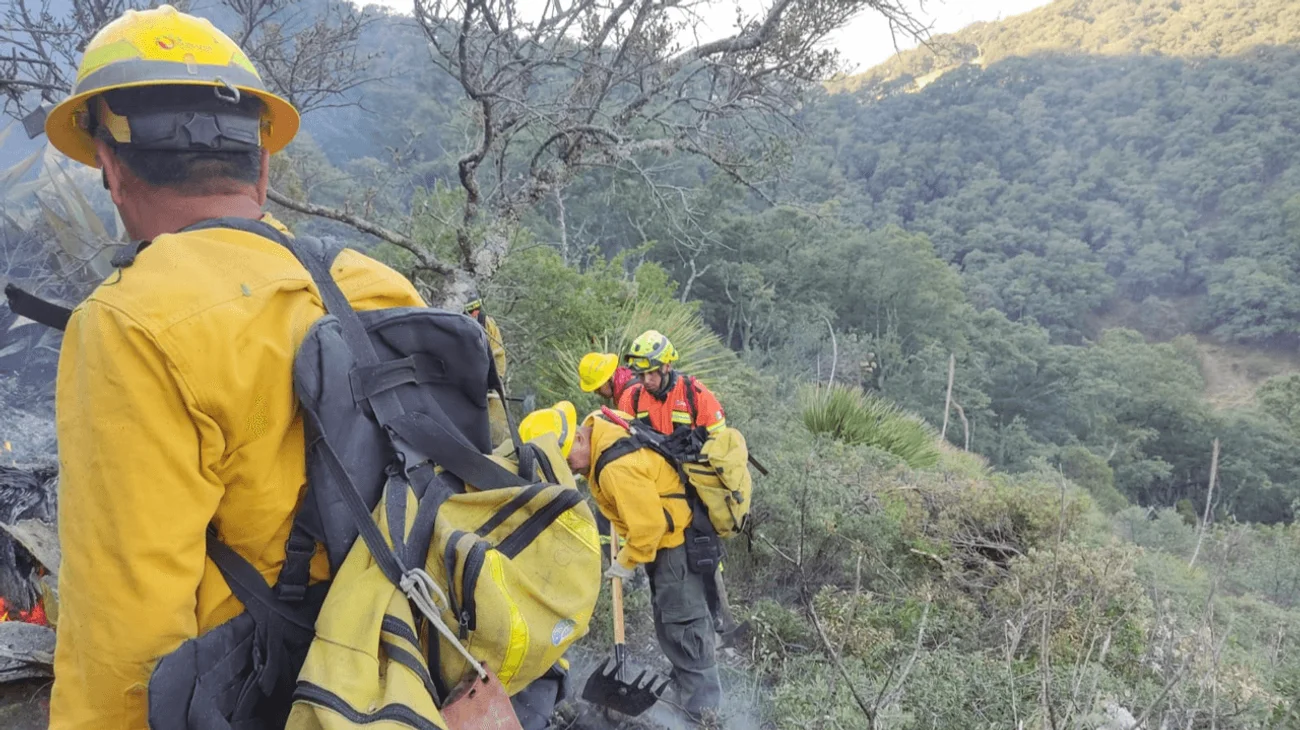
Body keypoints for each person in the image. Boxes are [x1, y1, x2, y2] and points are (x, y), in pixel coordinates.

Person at [38, 7, 558, 728]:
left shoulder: (131, 325)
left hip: (273, 700)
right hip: (407, 678)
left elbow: (124, 644)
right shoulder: (371, 281)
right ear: (263, 163)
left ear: (109, 166)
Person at [521, 404, 722, 725]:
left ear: (578, 438)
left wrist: (625, 562)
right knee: (672, 622)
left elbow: (649, 527)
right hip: (669, 542)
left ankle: (702, 712)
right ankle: (687, 692)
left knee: (683, 625)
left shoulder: (616, 468)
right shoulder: (598, 425)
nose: (570, 469)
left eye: (566, 459)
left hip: (675, 545)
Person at [618, 330, 726, 437]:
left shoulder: (696, 394)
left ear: (667, 366)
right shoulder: (631, 399)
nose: (646, 380)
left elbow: (720, 441)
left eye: (651, 373)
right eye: (641, 374)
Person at [465, 291, 512, 444]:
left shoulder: (487, 324)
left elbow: (498, 354)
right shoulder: (456, 326)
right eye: (471, 311)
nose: (475, 314)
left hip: (487, 384)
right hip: (464, 385)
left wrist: (493, 383)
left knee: (496, 424)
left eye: (477, 310)